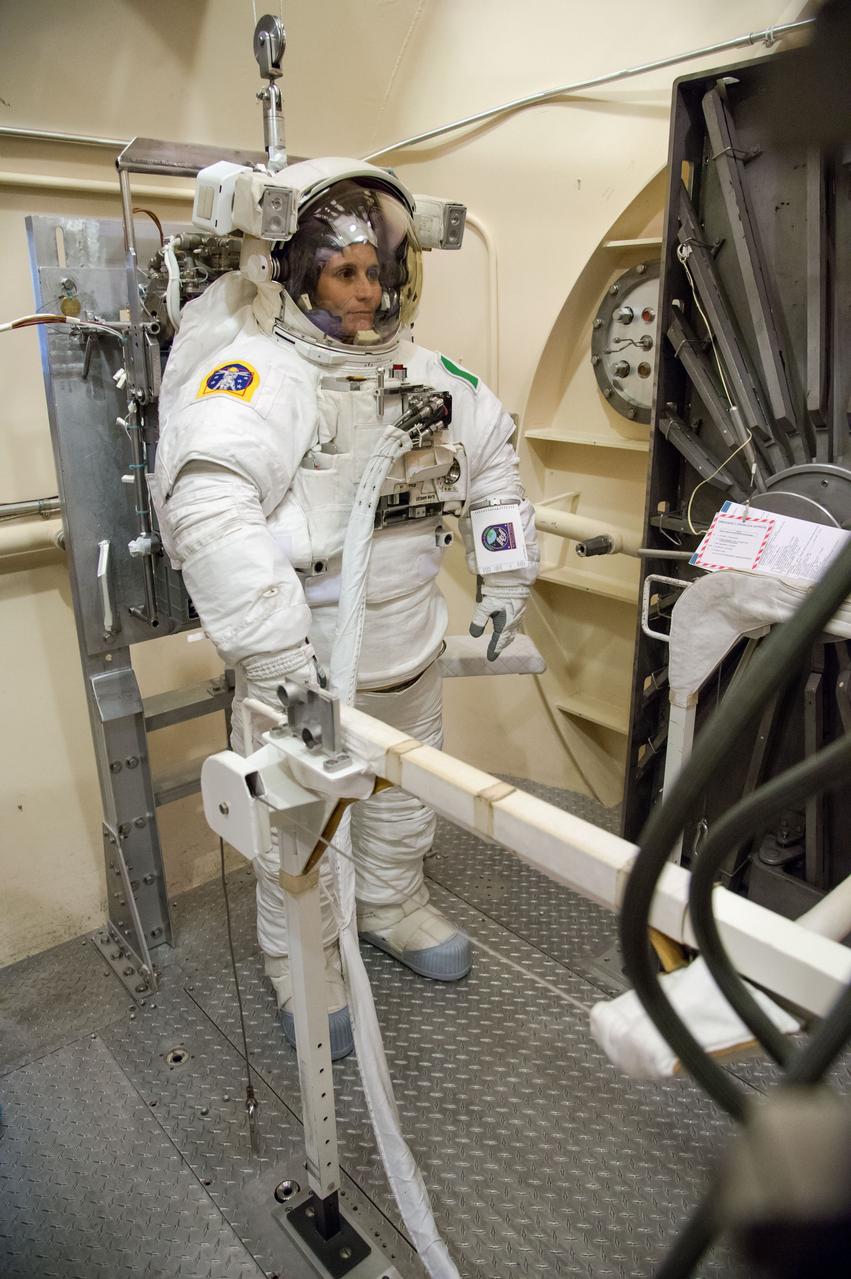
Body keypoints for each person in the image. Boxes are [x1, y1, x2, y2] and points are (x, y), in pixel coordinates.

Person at [152, 159, 539, 1059]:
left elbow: (496, 479)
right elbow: (211, 509)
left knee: (404, 793)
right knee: (300, 815)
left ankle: (391, 901)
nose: (366, 293)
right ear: (291, 273)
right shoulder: (258, 374)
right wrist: (279, 658)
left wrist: (506, 586)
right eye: (343, 272)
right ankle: (304, 952)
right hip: (306, 664)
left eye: (377, 271)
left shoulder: (428, 371)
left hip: (407, 647)